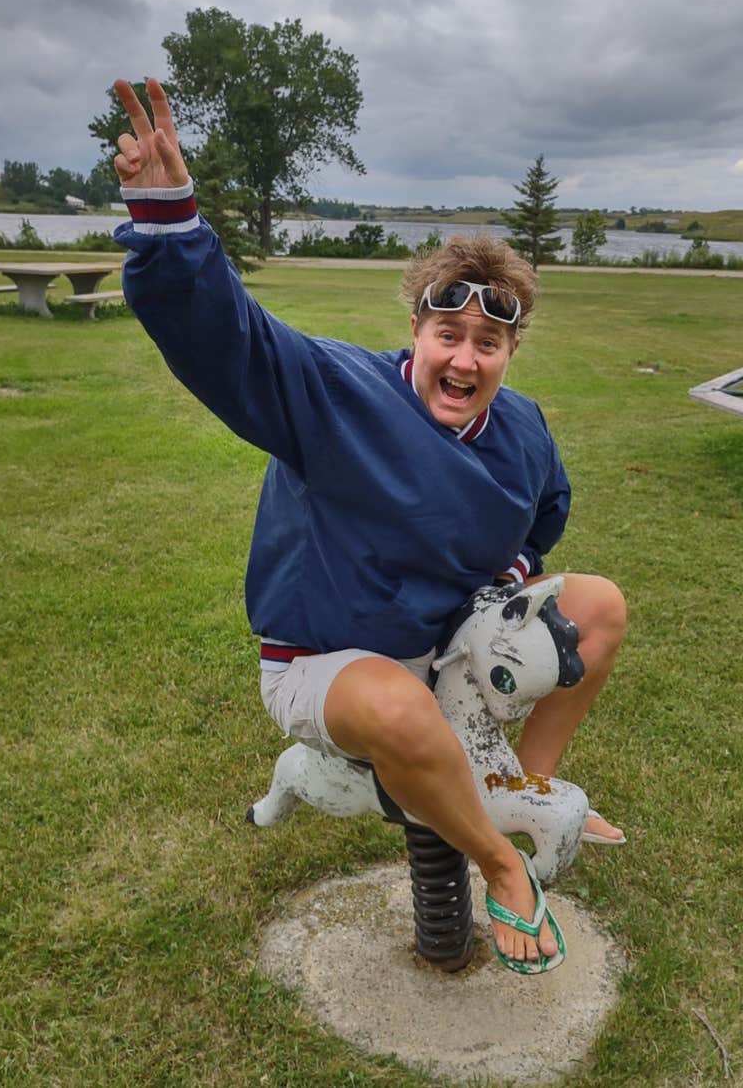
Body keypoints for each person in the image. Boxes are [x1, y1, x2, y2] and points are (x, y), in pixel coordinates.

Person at [111, 77, 627, 972]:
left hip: (447, 646)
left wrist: (504, 579)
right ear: (417, 330)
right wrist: (168, 218)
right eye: (448, 332)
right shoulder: (335, 393)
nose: (466, 355)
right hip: (326, 660)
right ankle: (503, 866)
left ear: (510, 352)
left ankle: (522, 795)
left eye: (489, 342)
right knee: (394, 702)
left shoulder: (523, 427)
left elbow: (544, 512)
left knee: (601, 604)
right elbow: (230, 341)